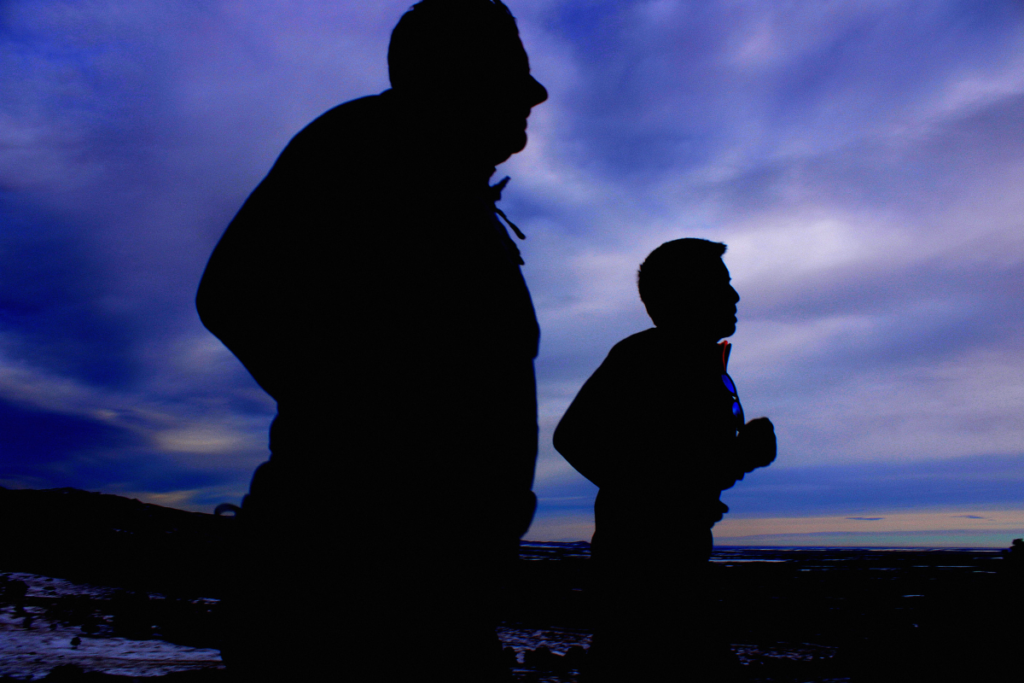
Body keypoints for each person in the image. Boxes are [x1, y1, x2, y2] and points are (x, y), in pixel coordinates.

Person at [195, 1, 547, 680]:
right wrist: (368, 423)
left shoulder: (452, 193)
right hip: (352, 583)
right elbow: (233, 292)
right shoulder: (369, 145)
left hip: (431, 585)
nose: (529, 104)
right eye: (510, 81)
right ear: (456, 79)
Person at [553, 238, 776, 681]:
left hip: (672, 558)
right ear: (684, 295)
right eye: (720, 285)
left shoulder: (691, 362)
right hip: (646, 569)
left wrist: (738, 458)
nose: (733, 296)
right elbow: (573, 437)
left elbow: (683, 460)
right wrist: (662, 501)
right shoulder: (647, 356)